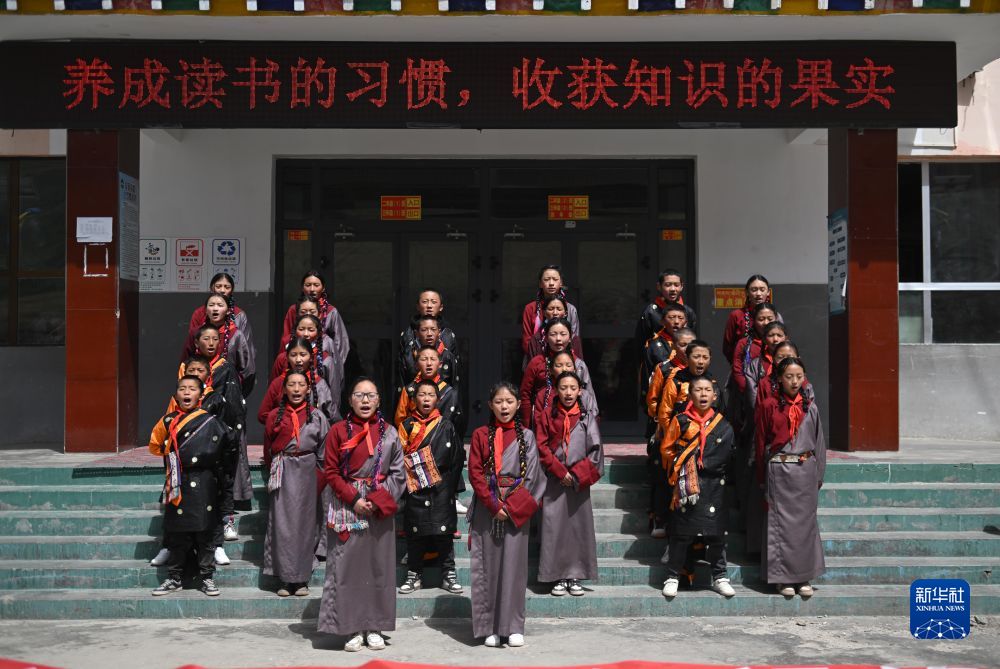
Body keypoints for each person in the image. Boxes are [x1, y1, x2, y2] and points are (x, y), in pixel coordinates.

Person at [318, 378, 405, 652]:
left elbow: (398, 473)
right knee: (347, 568)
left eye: (370, 395)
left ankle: (375, 626)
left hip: (379, 507)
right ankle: (351, 627)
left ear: (379, 400)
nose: (365, 400)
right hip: (347, 504)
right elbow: (331, 471)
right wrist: (354, 499)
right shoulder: (337, 431)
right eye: (359, 395)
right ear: (350, 400)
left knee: (379, 568)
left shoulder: (390, 433)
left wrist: (376, 502)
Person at [467, 381, 545, 648]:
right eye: (499, 402)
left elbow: (533, 476)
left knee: (514, 567)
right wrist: (493, 505)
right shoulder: (480, 435)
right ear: (490, 405)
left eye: (509, 401)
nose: (504, 406)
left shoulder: (528, 437)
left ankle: (512, 626)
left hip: (516, 509)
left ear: (518, 404)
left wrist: (510, 508)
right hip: (487, 507)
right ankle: (488, 627)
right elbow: (475, 473)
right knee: (487, 566)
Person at [148, 375, 235, 597]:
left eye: (192, 389)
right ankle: (174, 577)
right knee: (177, 533)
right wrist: (173, 452)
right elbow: (155, 445)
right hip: (178, 479)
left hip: (204, 480)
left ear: (201, 395)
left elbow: (229, 443)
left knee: (205, 532)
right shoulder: (168, 420)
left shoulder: (211, 421)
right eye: (182, 388)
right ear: (176, 394)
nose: (187, 392)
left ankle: (207, 577)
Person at [659, 376, 737, 599]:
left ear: (715, 395)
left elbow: (726, 455)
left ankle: (720, 576)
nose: (703, 394)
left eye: (707, 390)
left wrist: (701, 463)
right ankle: (673, 576)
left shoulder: (723, 424)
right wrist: (683, 470)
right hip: (686, 486)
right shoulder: (680, 421)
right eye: (698, 390)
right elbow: (667, 450)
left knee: (716, 535)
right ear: (690, 395)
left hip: (714, 487)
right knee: (681, 534)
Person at [755, 357, 826, 599]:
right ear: (779, 378)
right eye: (789, 376)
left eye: (799, 377)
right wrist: (762, 477)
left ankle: (804, 577)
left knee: (805, 528)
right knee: (781, 528)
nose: (794, 381)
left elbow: (819, 444)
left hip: (805, 473)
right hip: (779, 472)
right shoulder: (769, 406)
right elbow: (760, 442)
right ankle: (782, 578)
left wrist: (818, 476)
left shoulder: (811, 408)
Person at [535, 371, 603, 597]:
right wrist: (559, 471)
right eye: (563, 387)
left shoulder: (586, 417)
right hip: (553, 481)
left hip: (578, 483)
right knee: (554, 529)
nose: (568, 392)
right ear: (556, 389)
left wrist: (575, 476)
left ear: (580, 391)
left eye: (573, 388)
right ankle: (557, 576)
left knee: (577, 529)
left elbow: (596, 451)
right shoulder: (546, 415)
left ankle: (575, 575)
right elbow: (541, 447)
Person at [262, 372, 330, 598]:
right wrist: (276, 471)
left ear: (309, 389)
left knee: (305, 526)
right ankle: (284, 578)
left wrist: (318, 480)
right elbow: (268, 450)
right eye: (292, 384)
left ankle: (301, 579)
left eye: (301, 384)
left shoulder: (318, 416)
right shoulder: (274, 416)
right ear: (284, 389)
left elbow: (325, 452)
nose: (297, 388)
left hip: (309, 473)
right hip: (283, 471)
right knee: (282, 525)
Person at [397, 379, 466, 596]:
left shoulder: (447, 425)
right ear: (414, 399)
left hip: (441, 488)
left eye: (430, 395)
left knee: (444, 534)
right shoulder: (406, 426)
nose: (426, 399)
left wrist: (450, 488)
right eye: (422, 394)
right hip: (415, 487)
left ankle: (448, 574)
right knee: (415, 533)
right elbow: (399, 457)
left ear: (438, 399)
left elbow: (456, 460)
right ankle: (414, 574)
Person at [519, 317, 594, 429]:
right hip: (542, 421)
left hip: (575, 423)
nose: (558, 339)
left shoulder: (579, 364)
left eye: (563, 334)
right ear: (546, 338)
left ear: (570, 338)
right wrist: (527, 424)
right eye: (553, 334)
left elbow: (589, 395)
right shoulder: (536, 363)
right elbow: (525, 394)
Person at [183, 293, 256, 398]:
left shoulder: (236, 334)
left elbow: (248, 371)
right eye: (211, 305)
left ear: (228, 311)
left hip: (227, 391)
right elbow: (185, 363)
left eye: (220, 305)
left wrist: (235, 391)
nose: (215, 309)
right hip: (197, 393)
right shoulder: (196, 333)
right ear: (205, 310)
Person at [258, 337, 341, 426]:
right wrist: (283, 424)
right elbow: (263, 414)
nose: (298, 360)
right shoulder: (278, 383)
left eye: (303, 355)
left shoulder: (319, 384)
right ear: (287, 357)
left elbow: (333, 416)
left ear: (311, 357)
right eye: (293, 355)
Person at [280, 270, 350, 367]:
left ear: (323, 288)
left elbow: (341, 343)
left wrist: (334, 366)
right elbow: (287, 336)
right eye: (308, 285)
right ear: (302, 288)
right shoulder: (293, 309)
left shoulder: (331, 311)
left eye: (316, 285)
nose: (312, 289)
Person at [271, 314, 344, 404]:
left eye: (311, 330)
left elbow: (334, 394)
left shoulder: (326, 361)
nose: (305, 334)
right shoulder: (282, 359)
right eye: (301, 329)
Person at [394, 345, 463, 438]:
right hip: (413, 440)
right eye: (424, 359)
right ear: (416, 364)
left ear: (440, 364)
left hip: (441, 440)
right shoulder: (409, 390)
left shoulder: (450, 392)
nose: (429, 363)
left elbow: (457, 424)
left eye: (433, 359)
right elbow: (400, 420)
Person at [521, 265, 581, 365]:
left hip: (565, 362)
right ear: (540, 284)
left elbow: (574, 339)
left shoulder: (570, 309)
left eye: (555, 279)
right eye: (547, 279)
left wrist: (564, 362)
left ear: (561, 283)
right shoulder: (531, 308)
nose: (551, 283)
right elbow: (527, 340)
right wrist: (538, 363)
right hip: (536, 361)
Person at [399, 290, 457, 389]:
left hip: (443, 392)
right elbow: (402, 373)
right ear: (418, 306)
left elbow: (453, 374)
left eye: (433, 302)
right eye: (425, 302)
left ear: (441, 307)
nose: (429, 306)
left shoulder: (448, 336)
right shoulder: (407, 334)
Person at [186, 272, 254, 354]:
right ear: (212, 288)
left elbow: (246, 347)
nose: (222, 290)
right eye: (218, 286)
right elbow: (192, 341)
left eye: (227, 287)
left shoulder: (239, 314)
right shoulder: (199, 313)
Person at [722, 275, 782, 366]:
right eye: (754, 290)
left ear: (768, 292)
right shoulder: (736, 315)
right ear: (747, 292)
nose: (758, 293)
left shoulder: (776, 316)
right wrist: (740, 365)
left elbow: (782, 344)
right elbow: (727, 347)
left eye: (762, 289)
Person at [636, 269, 698, 347]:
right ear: (659, 286)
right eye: (668, 285)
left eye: (676, 285)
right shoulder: (650, 312)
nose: (673, 289)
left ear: (681, 286)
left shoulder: (688, 311)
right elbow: (641, 342)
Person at [531, 350, 598, 419]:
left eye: (568, 365)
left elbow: (592, 420)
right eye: (559, 365)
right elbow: (538, 421)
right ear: (551, 370)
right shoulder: (543, 395)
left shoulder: (585, 396)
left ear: (574, 369)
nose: (564, 369)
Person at [525, 295, 582, 360]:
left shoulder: (573, 338)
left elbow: (579, 363)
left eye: (559, 309)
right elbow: (533, 364)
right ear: (544, 313)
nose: (555, 313)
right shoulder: (536, 339)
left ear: (565, 313)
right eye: (551, 309)